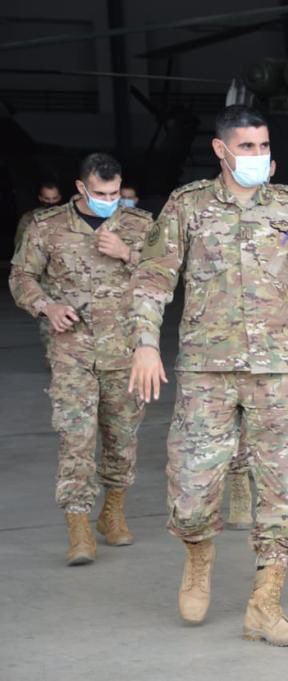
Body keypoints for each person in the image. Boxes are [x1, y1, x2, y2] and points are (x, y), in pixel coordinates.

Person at [128, 104, 288, 646]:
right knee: (193, 486)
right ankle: (198, 559)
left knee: (284, 485)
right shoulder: (188, 207)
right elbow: (155, 278)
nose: (257, 156)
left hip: (279, 371)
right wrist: (145, 344)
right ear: (221, 151)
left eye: (264, 146)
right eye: (246, 147)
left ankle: (265, 603)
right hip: (208, 370)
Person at [9, 154, 151, 566]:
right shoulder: (46, 227)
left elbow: (168, 276)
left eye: (115, 193)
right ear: (81, 188)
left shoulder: (139, 226)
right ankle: (78, 527)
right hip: (72, 350)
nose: (110, 200)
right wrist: (46, 306)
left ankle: (113, 512)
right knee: (76, 438)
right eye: (101, 193)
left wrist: (128, 254)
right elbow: (21, 277)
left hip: (125, 351)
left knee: (122, 438)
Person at [14, 181, 62, 254]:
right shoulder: (29, 218)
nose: (51, 202)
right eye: (47, 199)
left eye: (55, 198)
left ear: (60, 197)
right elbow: (20, 242)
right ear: (40, 198)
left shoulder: (70, 215)